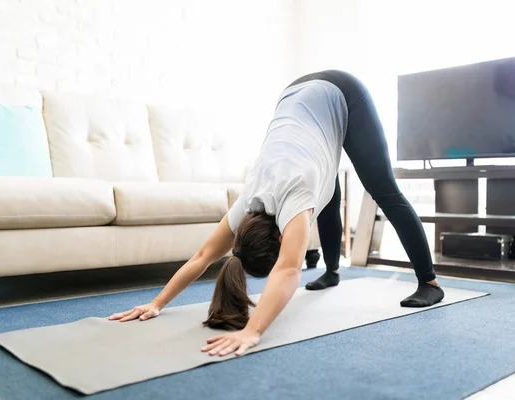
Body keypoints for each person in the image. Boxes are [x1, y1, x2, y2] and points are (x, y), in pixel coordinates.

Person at [108, 70, 444, 357]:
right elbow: (202, 256)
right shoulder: (246, 205)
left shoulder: (294, 196)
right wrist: (157, 303)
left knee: (383, 188)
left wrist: (252, 331)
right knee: (324, 190)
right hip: (294, 96)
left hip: (341, 92)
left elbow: (287, 270)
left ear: (282, 237)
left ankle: (429, 281)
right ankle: (331, 271)